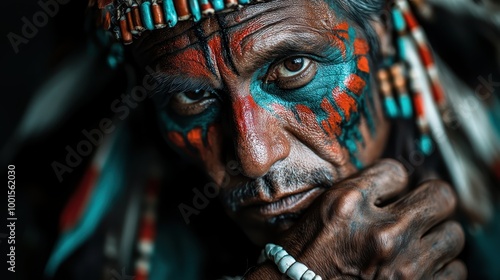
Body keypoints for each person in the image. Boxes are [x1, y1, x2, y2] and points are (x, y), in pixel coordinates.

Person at [6, 0, 500, 279]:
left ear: (385, 34)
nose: (255, 157)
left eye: (293, 67)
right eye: (193, 98)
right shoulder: (30, 219)